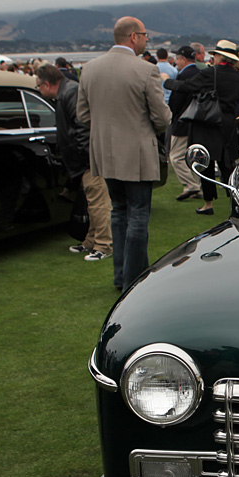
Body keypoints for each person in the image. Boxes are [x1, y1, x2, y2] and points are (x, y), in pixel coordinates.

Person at [77, 16, 172, 291]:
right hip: (137, 153)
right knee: (138, 215)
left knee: (118, 213)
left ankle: (122, 277)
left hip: (105, 153)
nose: (145, 40)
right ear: (133, 36)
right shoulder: (145, 70)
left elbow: (83, 115)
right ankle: (133, 280)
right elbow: (162, 118)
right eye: (144, 35)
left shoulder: (90, 68)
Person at [36, 63, 113, 261]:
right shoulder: (68, 93)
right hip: (85, 158)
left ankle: (104, 245)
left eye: (38, 86)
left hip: (88, 159)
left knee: (97, 203)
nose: (38, 89)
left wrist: (85, 157)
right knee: (91, 201)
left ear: (46, 84)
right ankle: (91, 241)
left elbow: (82, 127)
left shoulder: (70, 94)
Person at [164, 39, 239, 215]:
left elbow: (186, 86)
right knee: (228, 163)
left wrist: (165, 82)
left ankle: (208, 204)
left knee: (206, 163)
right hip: (228, 122)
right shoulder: (238, 77)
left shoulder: (212, 73)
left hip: (209, 121)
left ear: (218, 56)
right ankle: (237, 201)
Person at [167, 46, 202, 202]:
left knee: (175, 156)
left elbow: (177, 100)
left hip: (182, 121)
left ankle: (191, 185)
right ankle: (198, 185)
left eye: (178, 59)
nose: (176, 62)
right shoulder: (199, 73)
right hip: (197, 120)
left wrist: (172, 114)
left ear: (183, 59)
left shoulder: (184, 75)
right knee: (193, 156)